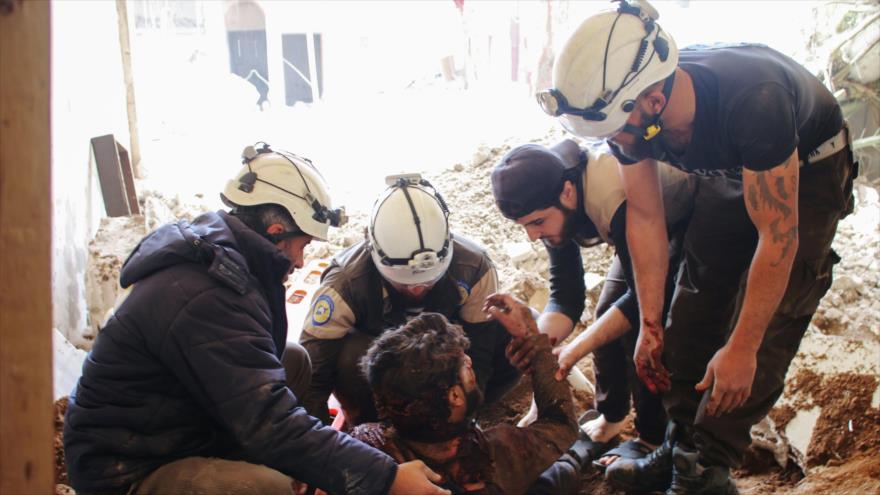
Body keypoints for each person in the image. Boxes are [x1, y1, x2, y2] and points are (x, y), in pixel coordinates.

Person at [536, 1, 857, 493]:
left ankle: (705, 468)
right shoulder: (632, 118)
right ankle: (680, 443)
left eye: (616, 132)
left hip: (808, 165)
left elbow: (777, 238)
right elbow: (645, 218)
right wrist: (648, 325)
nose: (616, 144)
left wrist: (742, 348)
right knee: (693, 300)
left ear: (654, 102)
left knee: (767, 323)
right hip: (732, 165)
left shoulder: (755, 102)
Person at [64, 143, 450, 495]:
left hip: (170, 427)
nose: (300, 261)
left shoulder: (227, 260)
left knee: (293, 360)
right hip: (125, 468)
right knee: (268, 488)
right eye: (303, 245)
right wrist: (386, 478)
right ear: (276, 231)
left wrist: (325, 462)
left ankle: (246, 459)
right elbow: (270, 424)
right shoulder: (205, 296)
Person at [490, 139, 698, 471]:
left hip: (688, 218)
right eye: (525, 226)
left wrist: (574, 352)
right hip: (637, 227)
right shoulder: (549, 187)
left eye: (538, 223)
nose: (532, 235)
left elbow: (642, 304)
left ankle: (651, 437)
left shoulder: (611, 195)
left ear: (568, 193)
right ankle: (612, 416)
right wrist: (538, 345)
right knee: (605, 316)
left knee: (643, 332)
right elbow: (566, 295)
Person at [300, 174, 520, 426]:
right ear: (374, 253)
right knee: (349, 357)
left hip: (447, 357)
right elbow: (313, 375)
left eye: (428, 281)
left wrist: (467, 410)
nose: (416, 291)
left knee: (511, 334)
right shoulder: (344, 285)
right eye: (403, 282)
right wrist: (322, 447)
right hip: (382, 369)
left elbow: (481, 349)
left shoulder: (474, 267)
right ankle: (378, 426)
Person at [352, 299, 588, 495]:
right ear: (455, 396)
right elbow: (561, 423)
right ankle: (581, 454)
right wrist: (534, 341)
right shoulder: (499, 455)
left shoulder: (363, 447)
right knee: (557, 478)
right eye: (464, 365)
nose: (471, 362)